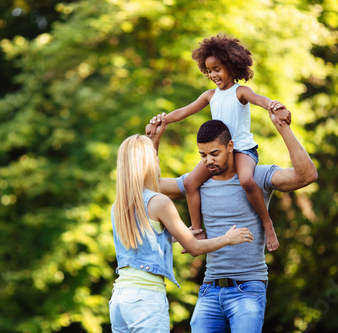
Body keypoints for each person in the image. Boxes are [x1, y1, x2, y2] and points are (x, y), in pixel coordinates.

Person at [145, 110, 317, 332]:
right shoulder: (195, 183)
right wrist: (154, 140)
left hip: (248, 289)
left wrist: (283, 128)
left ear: (230, 147)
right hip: (209, 289)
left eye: (214, 153)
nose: (209, 161)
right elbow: (149, 185)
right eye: (203, 155)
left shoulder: (256, 176)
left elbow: (307, 175)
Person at [151, 34, 291, 251]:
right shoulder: (210, 95)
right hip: (220, 153)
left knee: (246, 180)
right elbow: (184, 111)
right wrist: (163, 119)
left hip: (243, 150)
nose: (213, 75)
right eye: (209, 71)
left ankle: (267, 223)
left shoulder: (240, 91)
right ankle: (197, 230)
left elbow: (261, 101)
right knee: (189, 183)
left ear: (232, 66)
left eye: (217, 69)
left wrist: (274, 106)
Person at [109, 133, 255, 333]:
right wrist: (227, 239)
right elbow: (194, 248)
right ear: (148, 161)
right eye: (154, 154)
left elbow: (145, 241)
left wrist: (179, 235)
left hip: (119, 299)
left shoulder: (118, 206)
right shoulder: (158, 202)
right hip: (146, 299)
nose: (157, 158)